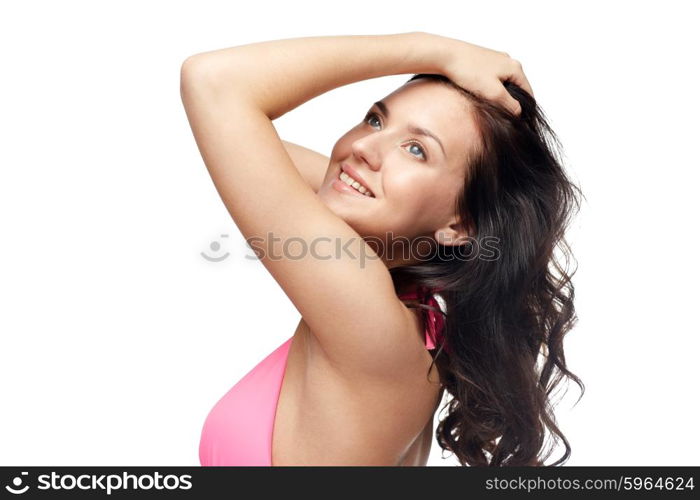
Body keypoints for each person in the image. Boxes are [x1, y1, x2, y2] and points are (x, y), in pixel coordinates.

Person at [180, 31, 583, 466]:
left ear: (460, 224)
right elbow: (243, 146)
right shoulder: (406, 307)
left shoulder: (367, 315)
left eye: (416, 150)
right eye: (375, 119)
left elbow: (214, 84)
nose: (365, 147)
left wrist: (438, 49)